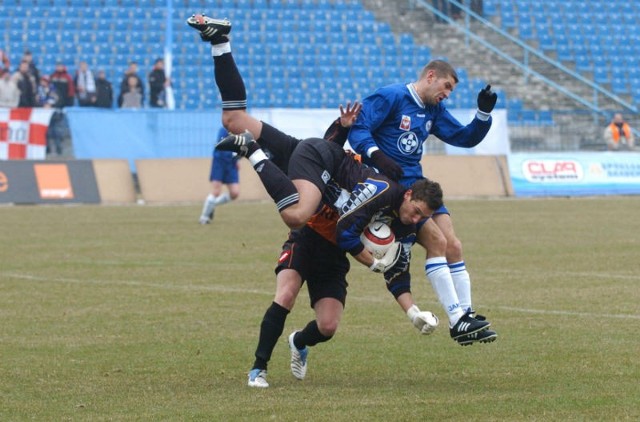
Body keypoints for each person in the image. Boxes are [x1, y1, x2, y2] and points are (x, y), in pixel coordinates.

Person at [186, 15, 492, 388]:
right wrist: (369, 257)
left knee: (234, 119)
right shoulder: (383, 188)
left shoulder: (397, 213)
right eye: (415, 214)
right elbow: (349, 215)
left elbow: (396, 268)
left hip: (324, 177)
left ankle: (221, 42)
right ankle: (253, 153)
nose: (414, 221)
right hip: (316, 163)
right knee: (298, 216)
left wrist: (411, 310)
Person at [347, 59, 498, 343]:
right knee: (437, 242)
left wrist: (483, 113)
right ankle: (456, 321)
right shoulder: (392, 96)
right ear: (431, 76)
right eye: (446, 86)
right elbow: (358, 129)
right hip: (396, 191)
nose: (447, 94)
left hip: (419, 186)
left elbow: (463, 137)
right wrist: (378, 156)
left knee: (453, 244)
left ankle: (465, 315)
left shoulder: (434, 110)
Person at [199, 127, 240, 224]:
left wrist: (237, 159)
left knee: (235, 193)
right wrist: (233, 155)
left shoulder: (241, 130)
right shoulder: (224, 130)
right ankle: (204, 218)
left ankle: (212, 205)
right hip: (220, 162)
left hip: (231, 164)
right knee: (216, 191)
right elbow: (220, 145)